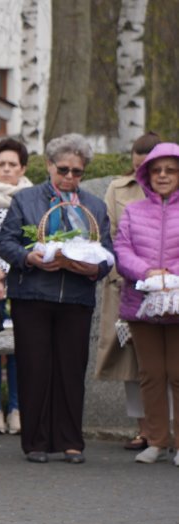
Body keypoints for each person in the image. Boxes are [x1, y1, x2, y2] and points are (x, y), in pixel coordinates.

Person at [0, 133, 113, 464]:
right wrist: (27, 258)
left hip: (76, 298)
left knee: (71, 369)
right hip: (32, 295)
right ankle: (35, 441)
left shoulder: (95, 206)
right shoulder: (26, 200)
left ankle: (70, 440)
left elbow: (107, 255)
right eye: (63, 169)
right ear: (49, 165)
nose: (70, 177)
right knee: (34, 368)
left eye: (78, 172)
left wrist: (93, 269)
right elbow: (6, 243)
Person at [114, 142, 179, 465]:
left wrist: (172, 276)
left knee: (178, 374)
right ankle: (156, 441)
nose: (163, 176)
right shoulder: (133, 211)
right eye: (157, 170)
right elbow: (122, 250)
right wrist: (148, 272)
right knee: (151, 375)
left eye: (170, 170)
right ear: (147, 175)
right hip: (142, 305)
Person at [99, 132, 164, 450]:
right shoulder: (118, 189)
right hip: (127, 288)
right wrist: (123, 273)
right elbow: (110, 238)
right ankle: (145, 430)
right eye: (136, 165)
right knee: (134, 366)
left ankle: (169, 430)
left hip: (170, 290)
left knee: (170, 366)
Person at [0, 137, 33, 436]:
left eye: (13, 164)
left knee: (16, 349)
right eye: (1, 164)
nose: (6, 169)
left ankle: (16, 410)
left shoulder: (31, 198)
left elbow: (31, 240)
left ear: (22, 168)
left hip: (21, 281)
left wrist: (6, 273)